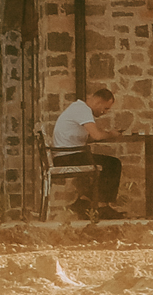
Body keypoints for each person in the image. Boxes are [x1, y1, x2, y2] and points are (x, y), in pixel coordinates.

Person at [52, 84, 122, 215]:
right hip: (67, 157)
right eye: (105, 108)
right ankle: (102, 206)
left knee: (105, 163)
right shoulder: (82, 110)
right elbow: (96, 135)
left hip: (66, 154)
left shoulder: (78, 107)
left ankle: (84, 201)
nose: (105, 112)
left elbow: (88, 137)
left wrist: (105, 133)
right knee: (113, 164)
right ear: (98, 102)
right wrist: (111, 134)